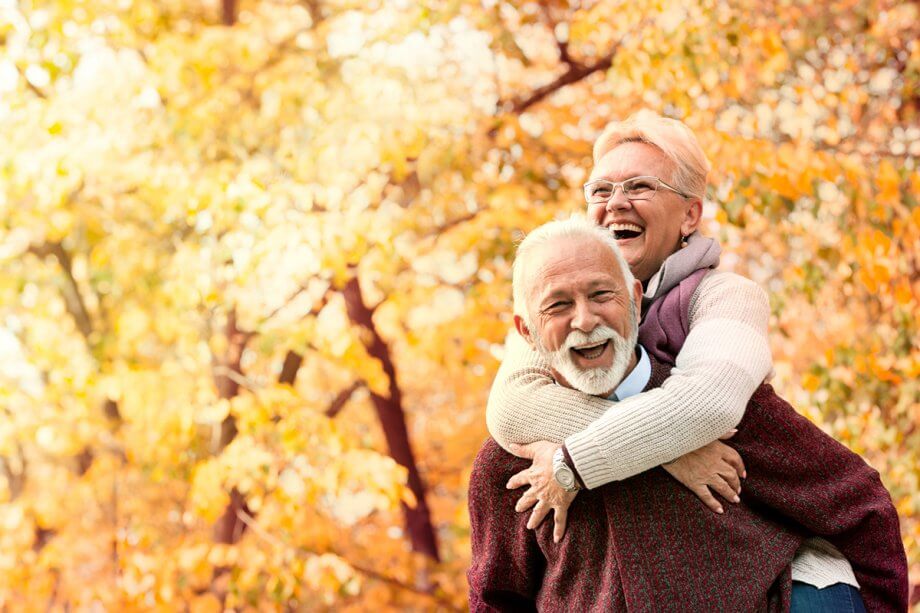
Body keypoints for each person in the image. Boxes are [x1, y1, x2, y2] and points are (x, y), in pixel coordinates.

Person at [483, 113, 908, 611]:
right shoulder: (561, 311)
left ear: (689, 216)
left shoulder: (725, 296)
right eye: (600, 190)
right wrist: (672, 455)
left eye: (640, 186)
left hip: (776, 568)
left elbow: (708, 405)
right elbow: (512, 407)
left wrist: (574, 461)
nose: (615, 201)